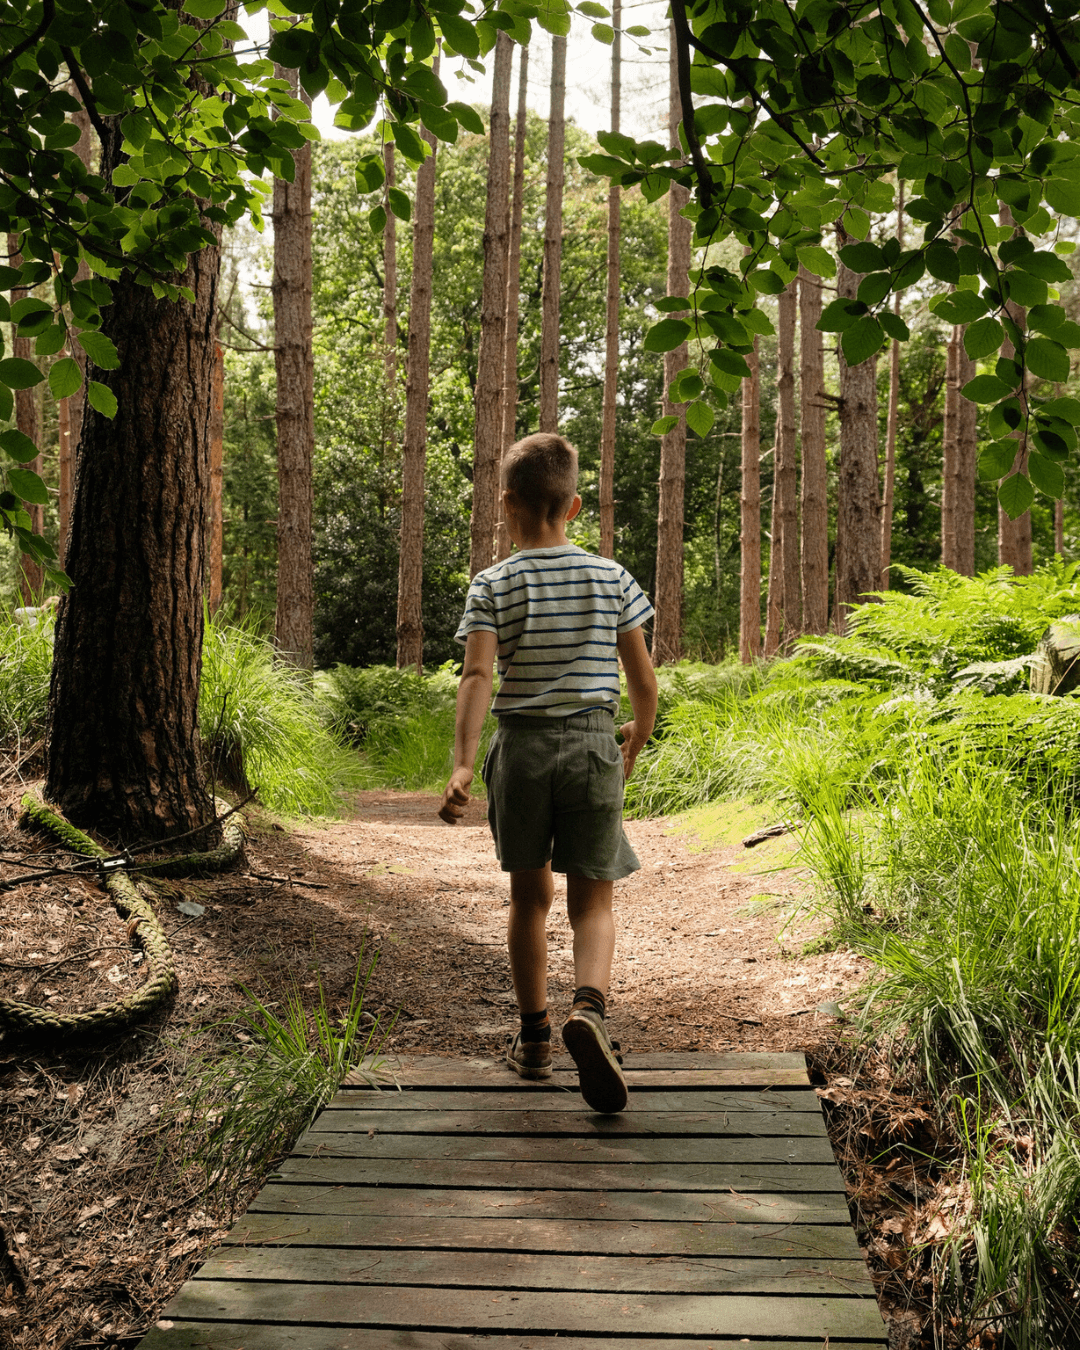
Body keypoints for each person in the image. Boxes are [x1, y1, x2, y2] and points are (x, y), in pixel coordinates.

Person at [438, 432, 658, 1114]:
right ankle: (588, 1009)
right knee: (593, 901)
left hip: (522, 751)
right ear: (574, 505)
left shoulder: (493, 583)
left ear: (507, 503)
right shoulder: (611, 577)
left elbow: (477, 675)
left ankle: (534, 1040)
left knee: (529, 899)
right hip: (592, 746)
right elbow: (642, 679)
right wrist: (638, 732)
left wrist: (463, 762)